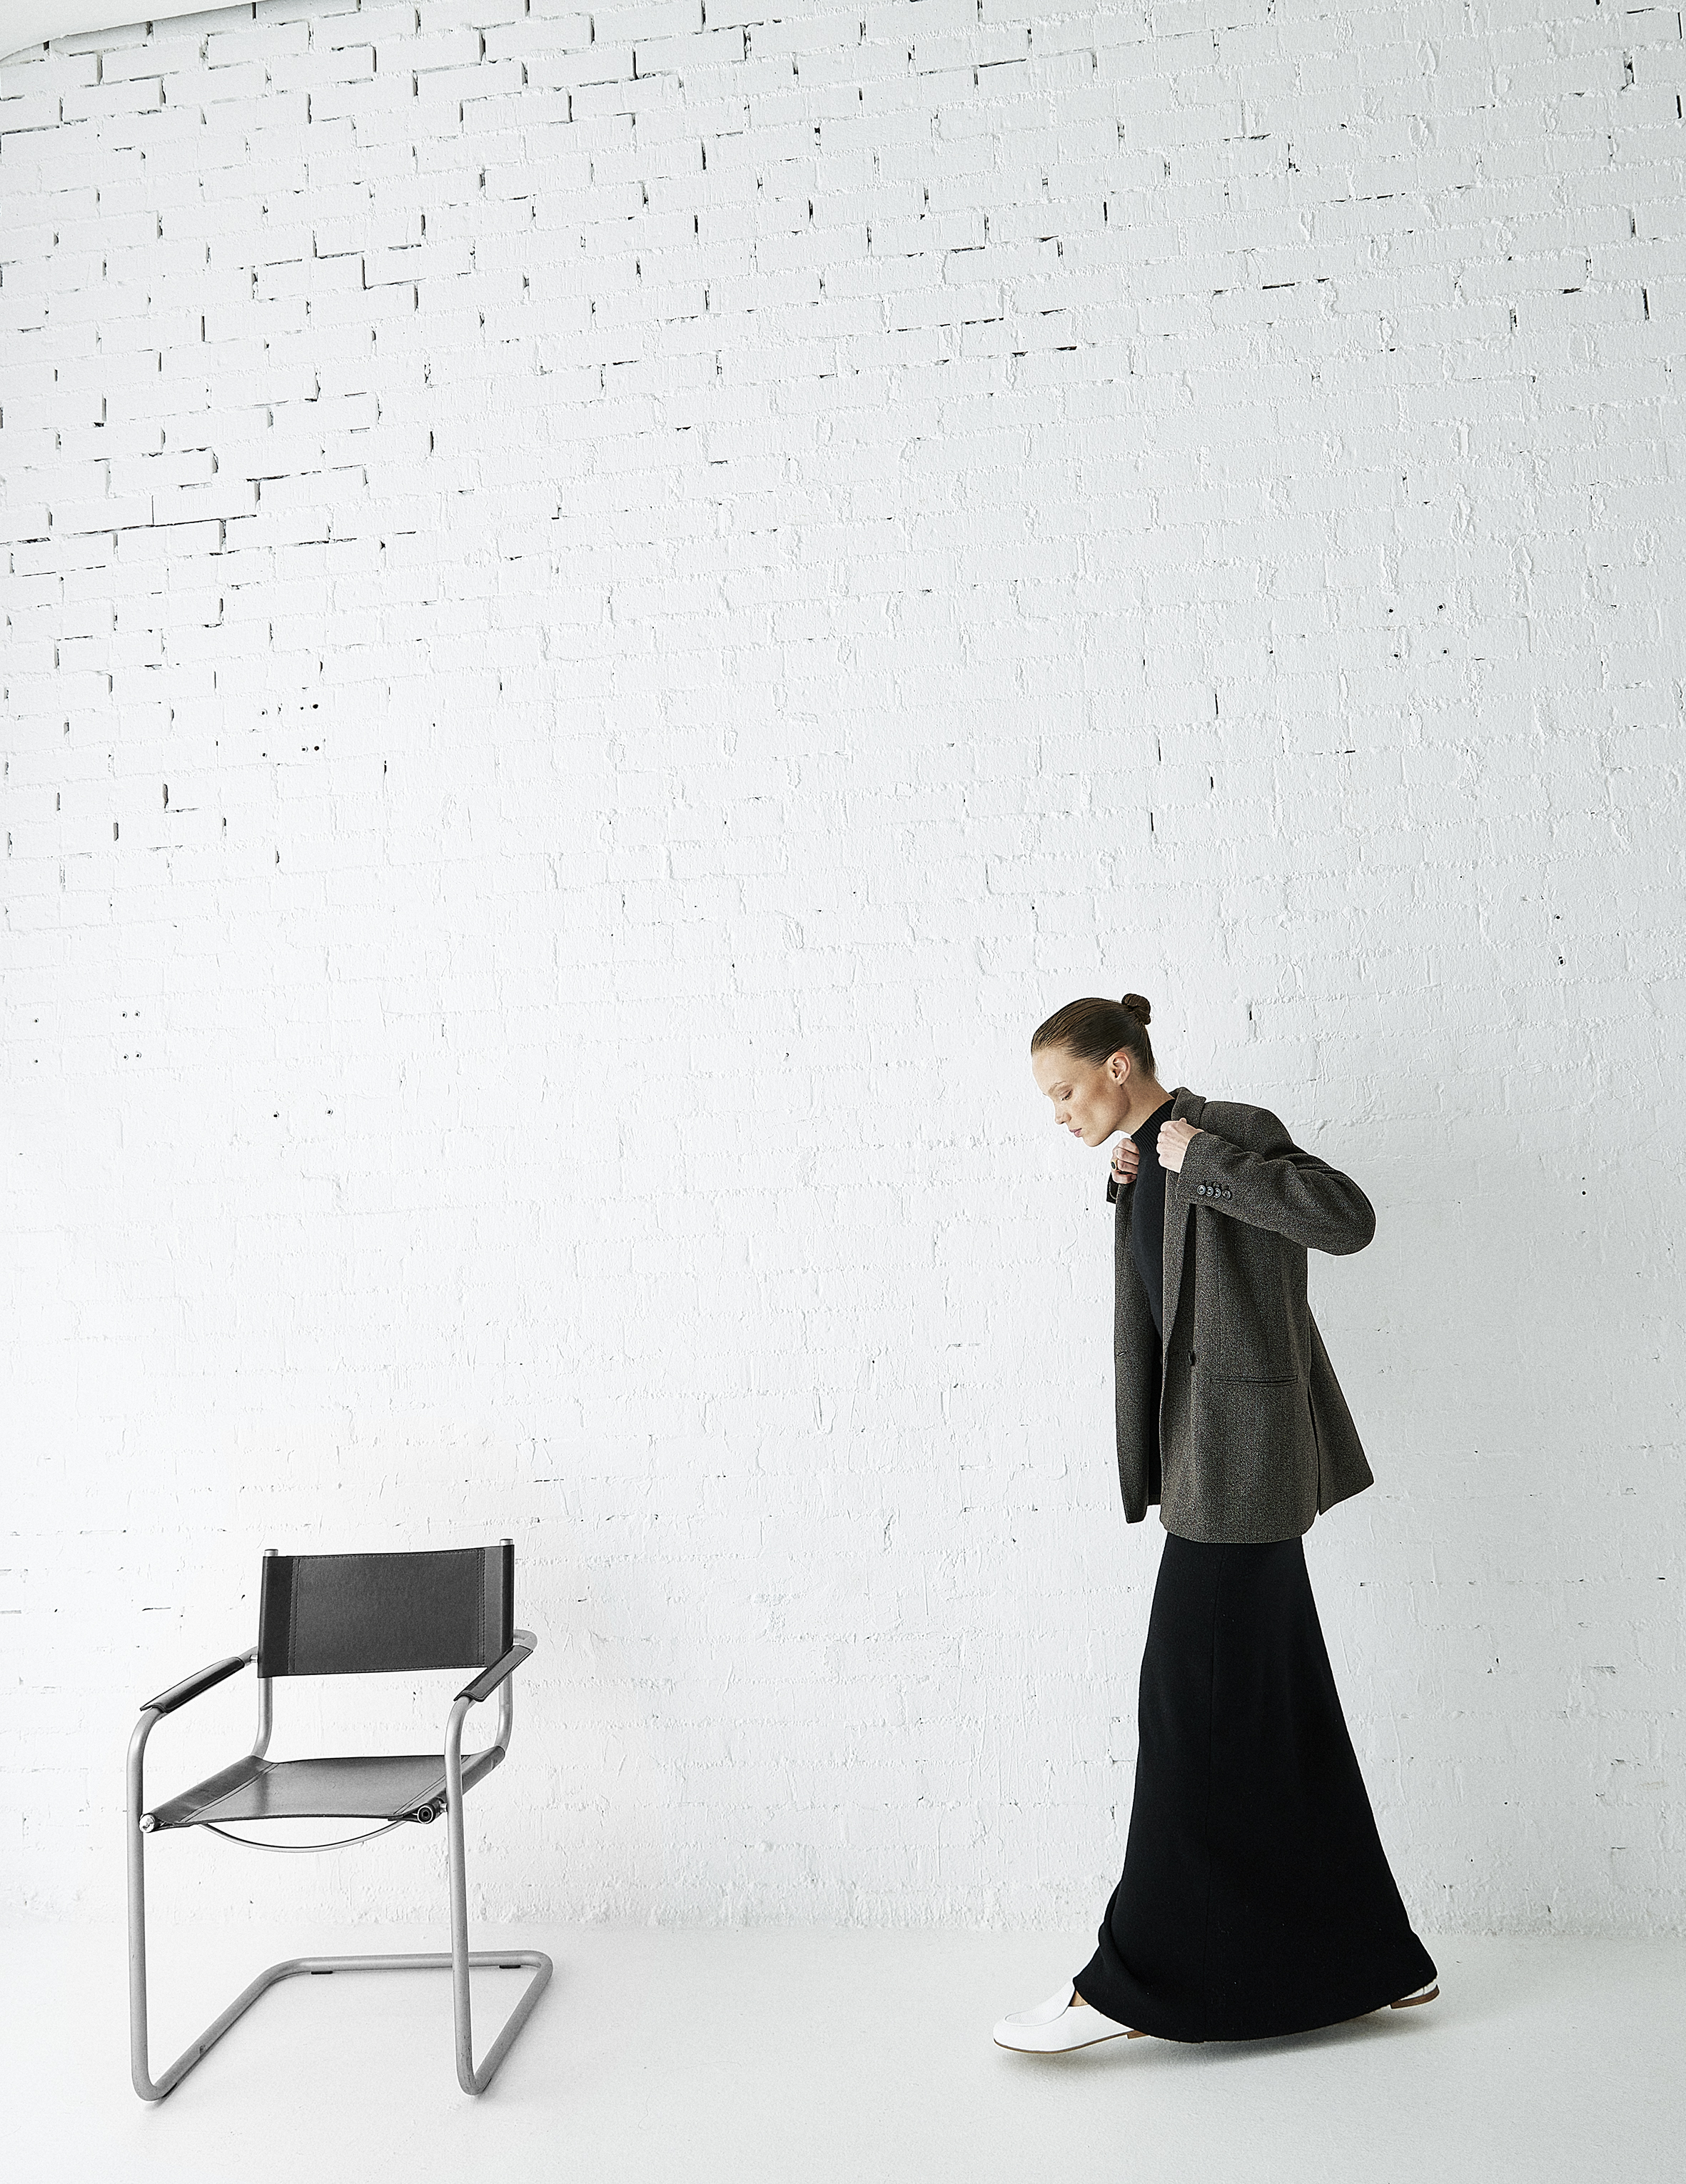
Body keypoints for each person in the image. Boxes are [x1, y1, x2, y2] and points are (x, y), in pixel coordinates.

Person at [994, 994, 1440, 2055]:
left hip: (1248, 1469)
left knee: (1185, 1713)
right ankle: (1378, 1960)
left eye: (1065, 1091)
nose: (1058, 1114)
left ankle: (1130, 1983)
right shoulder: (1135, 1167)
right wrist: (1138, 1185)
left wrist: (1201, 1158)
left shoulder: (1226, 1130)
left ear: (1118, 1065)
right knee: (1282, 1718)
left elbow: (1345, 1220)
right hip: (1205, 1470)